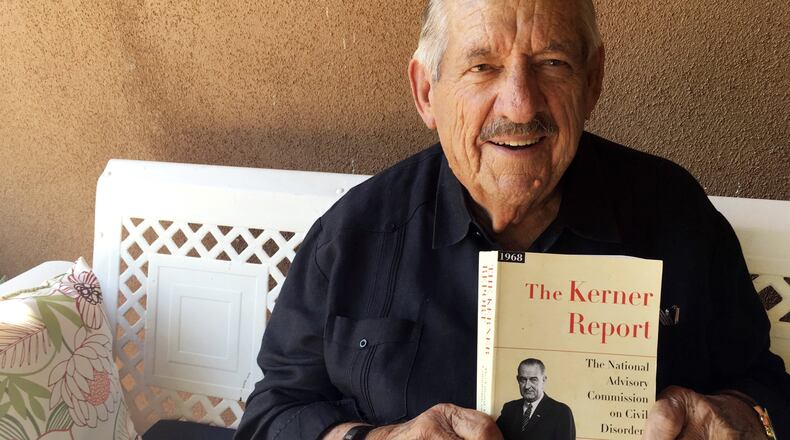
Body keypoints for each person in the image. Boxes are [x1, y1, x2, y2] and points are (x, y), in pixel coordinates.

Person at [236, 0, 790, 439]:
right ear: (427, 92)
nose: (521, 104)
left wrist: (738, 418)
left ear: (592, 81)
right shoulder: (355, 233)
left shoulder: (675, 215)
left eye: (552, 63)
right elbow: (272, 413)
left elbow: (764, 385)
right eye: (483, 66)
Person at [497, 359, 575, 440]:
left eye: (533, 380)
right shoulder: (509, 409)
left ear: (544, 380)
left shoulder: (561, 412)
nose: (527, 386)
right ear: (518, 380)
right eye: (523, 380)